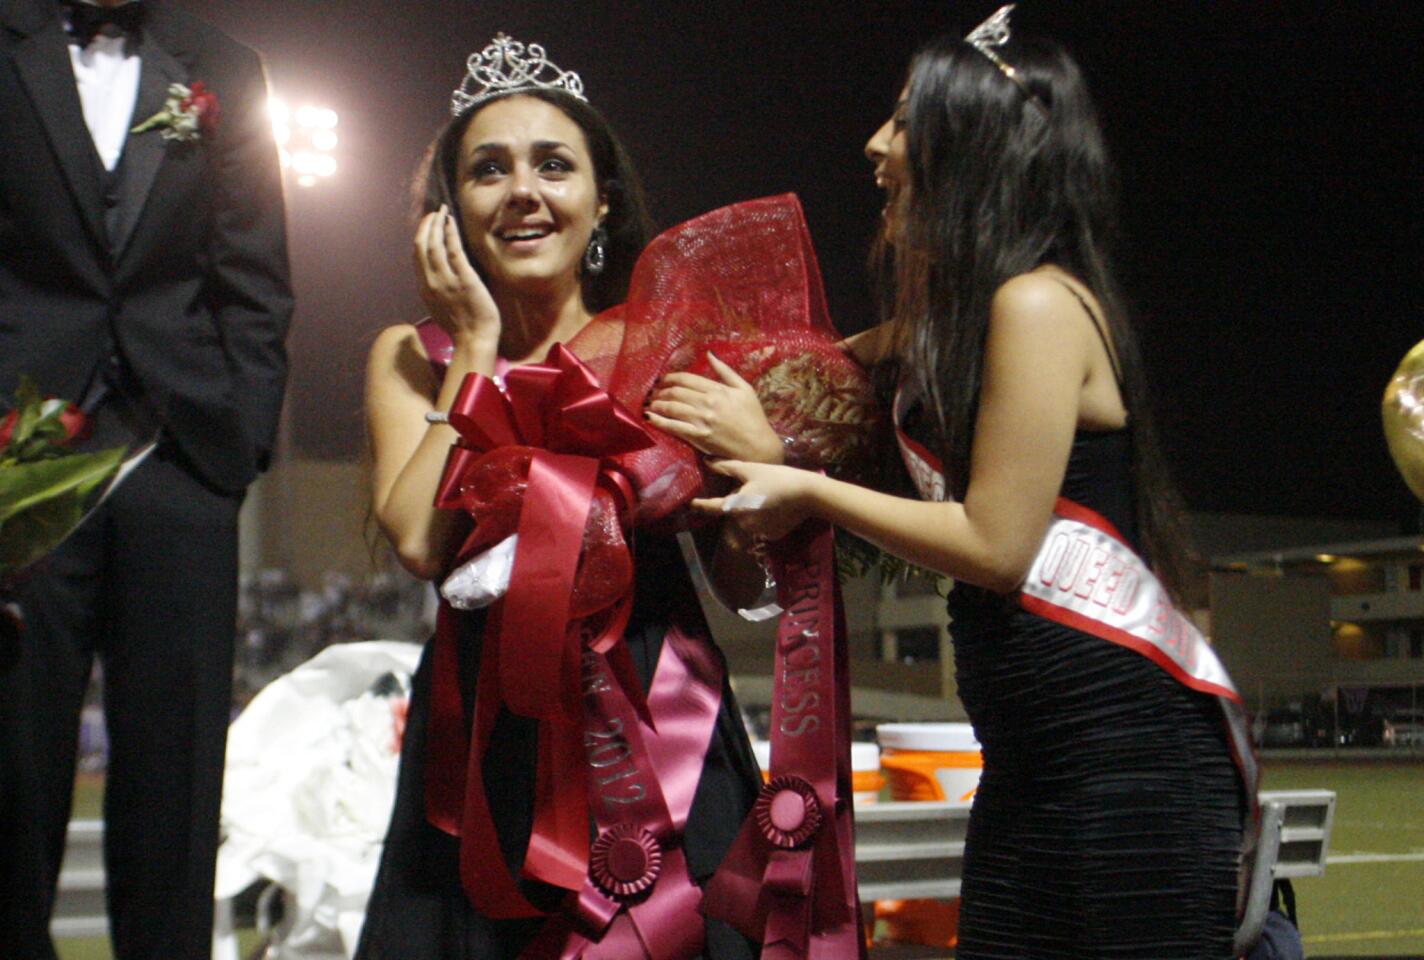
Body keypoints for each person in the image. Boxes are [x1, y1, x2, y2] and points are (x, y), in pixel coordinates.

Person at [690, 9, 1250, 958]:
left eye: (907, 122)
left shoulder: (1037, 303)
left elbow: (996, 546)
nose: (875, 145)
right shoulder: (937, 332)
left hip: (1132, 772)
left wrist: (806, 487)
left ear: (976, 147)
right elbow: (796, 375)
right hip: (1030, 767)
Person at [357, 35, 777, 959]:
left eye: (554, 166)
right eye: (488, 171)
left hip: (658, 719)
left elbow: (744, 579)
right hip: (481, 746)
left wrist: (764, 470)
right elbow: (423, 542)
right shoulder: (408, 354)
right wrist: (472, 345)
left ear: (601, 201)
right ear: (450, 211)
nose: (523, 193)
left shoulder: (666, 346)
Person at [0, 0, 292, 956]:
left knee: (176, 785)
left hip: (180, 460)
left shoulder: (225, 65)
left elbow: (254, 275)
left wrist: (236, 450)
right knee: (10, 773)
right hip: (20, 462)